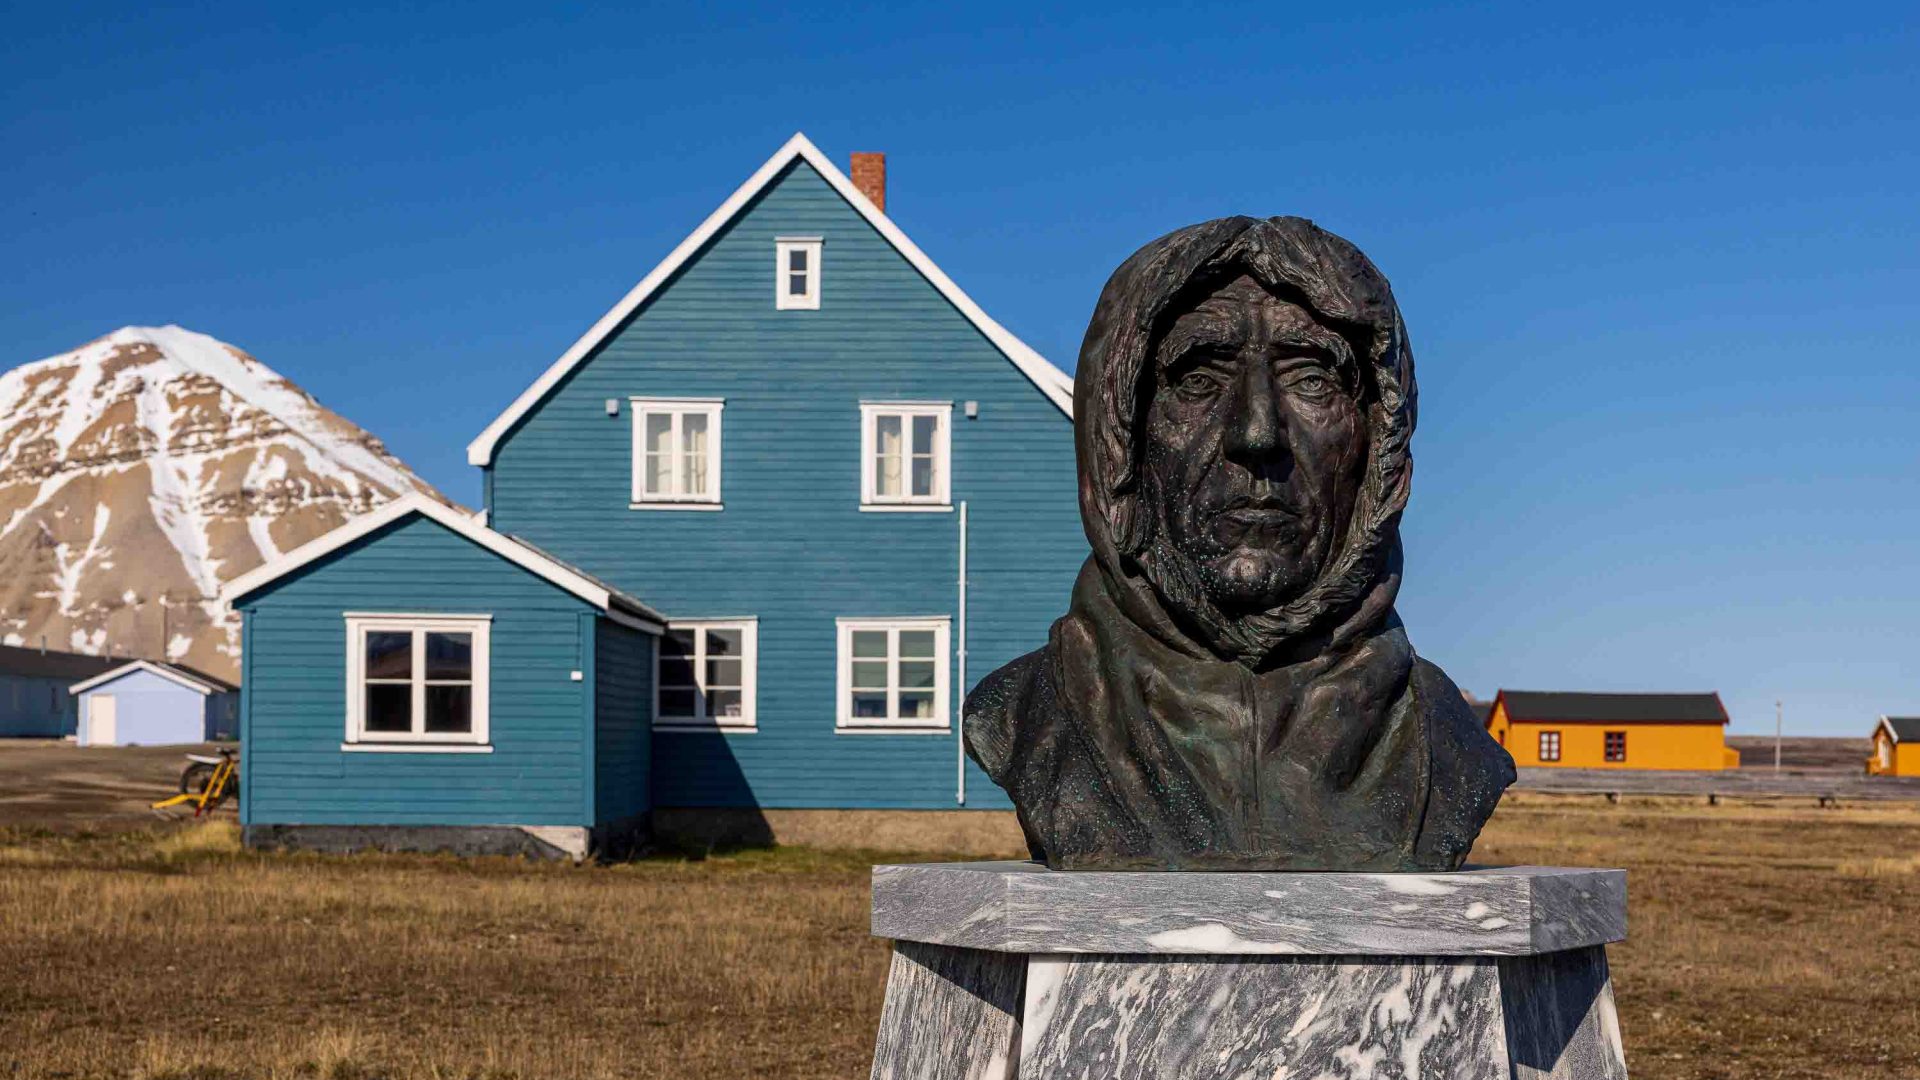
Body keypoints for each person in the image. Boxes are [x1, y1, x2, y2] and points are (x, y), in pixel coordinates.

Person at [965, 216, 1514, 871]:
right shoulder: (1026, 715)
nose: (1257, 434)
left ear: (1379, 439)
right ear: (1122, 438)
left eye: (1311, 380)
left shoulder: (1448, 745)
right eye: (1199, 380)